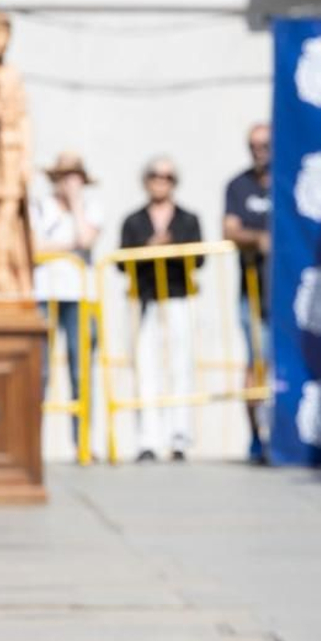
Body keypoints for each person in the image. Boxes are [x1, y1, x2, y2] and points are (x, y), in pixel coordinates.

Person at [118, 157, 203, 462]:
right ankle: (148, 440)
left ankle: (179, 437)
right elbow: (120, 260)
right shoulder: (134, 220)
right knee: (146, 369)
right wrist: (149, 248)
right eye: (155, 175)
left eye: (167, 176)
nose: (160, 181)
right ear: (146, 180)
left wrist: (170, 248)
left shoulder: (188, 219)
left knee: (181, 366)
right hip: (146, 299)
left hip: (179, 297)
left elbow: (200, 258)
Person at [30, 151, 102, 442]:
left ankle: (83, 441)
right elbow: (34, 247)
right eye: (64, 175)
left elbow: (86, 238)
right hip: (45, 294)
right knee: (40, 370)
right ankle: (34, 443)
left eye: (75, 175)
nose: (69, 181)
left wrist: (75, 205)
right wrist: (68, 245)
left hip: (80, 296)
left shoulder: (91, 207)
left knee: (80, 368)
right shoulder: (39, 206)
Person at [223, 123, 272, 464]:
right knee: (256, 362)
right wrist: (259, 240)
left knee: (280, 363)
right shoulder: (239, 185)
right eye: (253, 145)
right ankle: (256, 435)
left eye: (265, 144)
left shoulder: (286, 179)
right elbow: (230, 230)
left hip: (285, 292)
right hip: (253, 290)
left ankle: (282, 434)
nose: (260, 150)